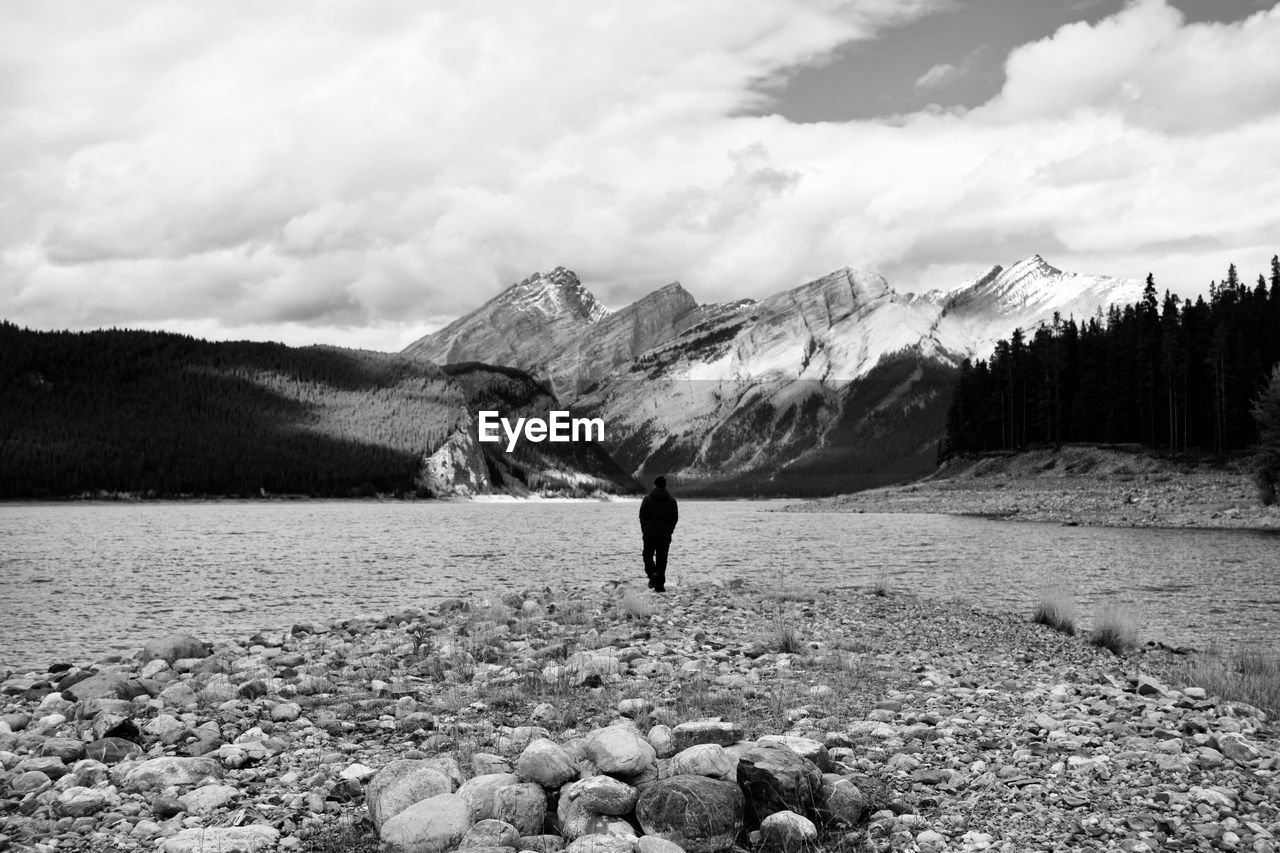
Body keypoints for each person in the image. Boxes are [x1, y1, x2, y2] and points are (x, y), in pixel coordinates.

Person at [638, 475, 678, 592]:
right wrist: (670, 531)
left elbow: (642, 516)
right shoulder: (672, 501)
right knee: (662, 559)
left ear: (655, 485)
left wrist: (644, 530)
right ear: (665, 486)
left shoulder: (647, 499)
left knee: (647, 556)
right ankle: (660, 586)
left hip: (650, 533)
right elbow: (674, 518)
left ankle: (652, 574)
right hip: (665, 535)